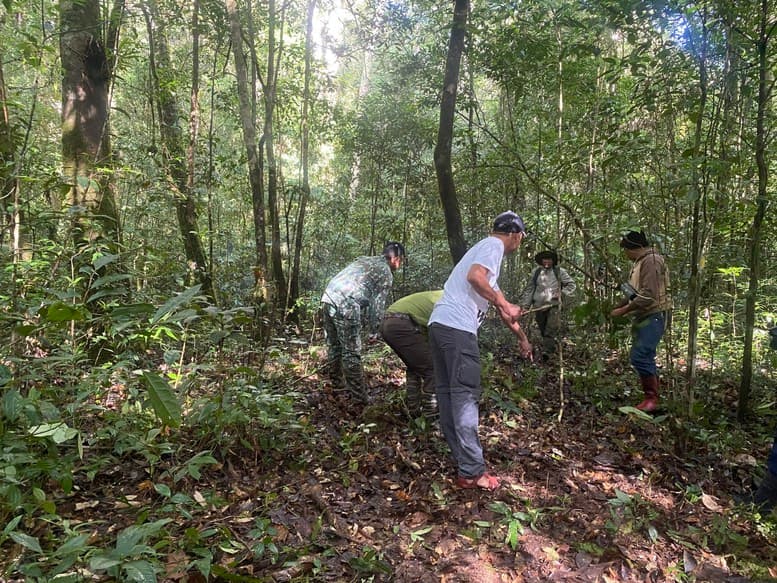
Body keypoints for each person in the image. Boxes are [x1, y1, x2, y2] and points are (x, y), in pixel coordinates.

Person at [428, 211, 532, 491]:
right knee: (464, 397)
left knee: (448, 396)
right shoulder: (493, 246)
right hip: (458, 330)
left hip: (439, 326)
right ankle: (473, 471)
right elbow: (476, 277)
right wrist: (504, 303)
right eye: (521, 237)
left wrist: (522, 338)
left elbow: (502, 308)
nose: (519, 242)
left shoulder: (484, 259)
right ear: (515, 235)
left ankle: (464, 464)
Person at [321, 242, 405, 404]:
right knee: (351, 352)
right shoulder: (385, 273)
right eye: (401, 260)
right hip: (345, 302)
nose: (400, 264)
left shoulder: (367, 260)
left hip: (328, 296)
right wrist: (375, 330)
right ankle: (359, 399)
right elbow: (377, 306)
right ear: (396, 259)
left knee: (334, 346)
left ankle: (337, 385)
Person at [610, 230, 671, 412]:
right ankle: (651, 398)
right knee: (643, 354)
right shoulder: (640, 262)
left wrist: (623, 311)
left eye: (625, 250)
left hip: (655, 313)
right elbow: (634, 293)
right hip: (645, 314)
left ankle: (652, 399)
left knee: (641, 355)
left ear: (633, 248)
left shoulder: (651, 261)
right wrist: (617, 306)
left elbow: (648, 295)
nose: (625, 254)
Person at [379, 290, 443, 420]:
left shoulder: (442, 295)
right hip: (402, 323)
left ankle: (413, 412)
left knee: (415, 367)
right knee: (433, 369)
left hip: (390, 322)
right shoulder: (452, 301)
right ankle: (431, 417)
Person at [519, 250, 576, 361]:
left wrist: (561, 293)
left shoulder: (559, 272)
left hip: (553, 306)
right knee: (542, 329)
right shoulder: (536, 272)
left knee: (550, 330)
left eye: (549, 259)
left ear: (553, 261)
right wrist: (525, 306)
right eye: (544, 259)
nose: (546, 262)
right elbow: (530, 289)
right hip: (538, 306)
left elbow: (571, 284)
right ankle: (549, 347)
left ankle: (548, 353)